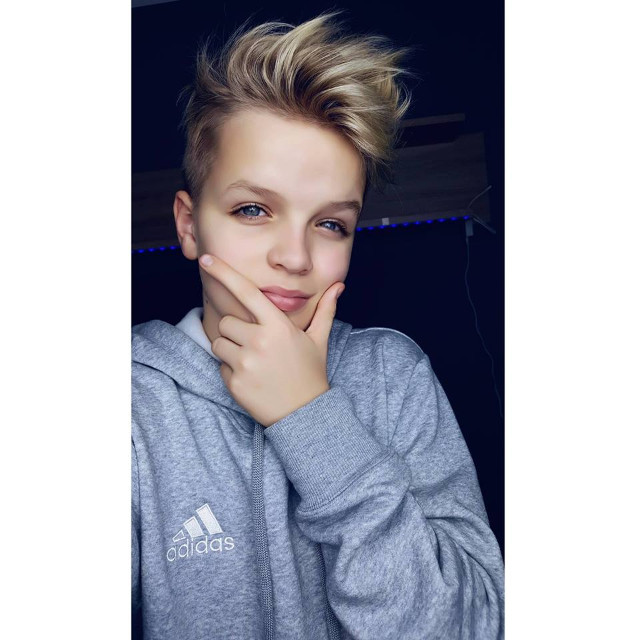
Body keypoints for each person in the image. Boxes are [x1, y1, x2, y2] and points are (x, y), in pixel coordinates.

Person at [132, 10, 505, 639]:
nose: (295, 257)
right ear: (190, 226)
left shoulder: (392, 376)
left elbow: (475, 627)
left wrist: (311, 419)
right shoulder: (129, 398)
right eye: (254, 210)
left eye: (331, 224)